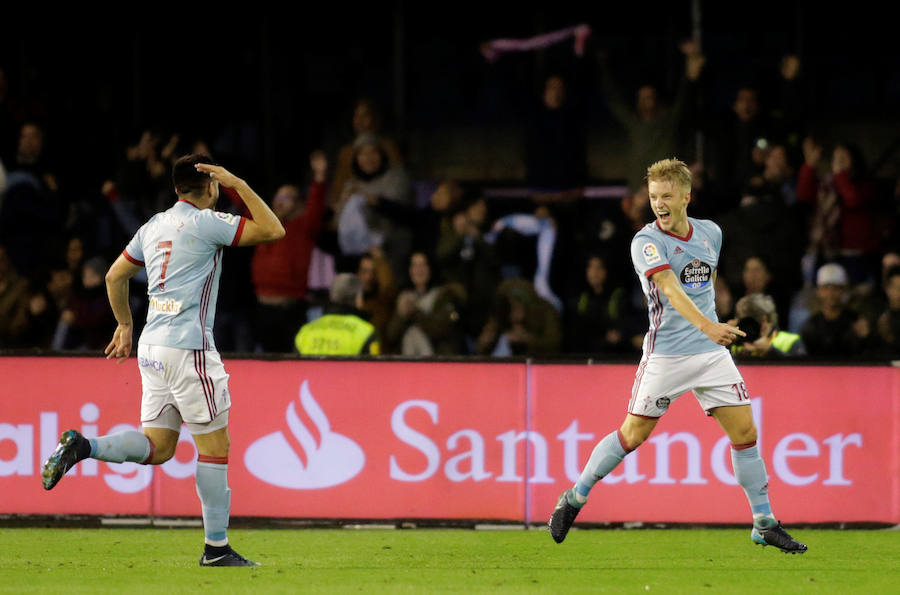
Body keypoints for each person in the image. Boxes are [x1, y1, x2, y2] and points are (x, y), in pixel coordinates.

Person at [548, 159, 807, 553]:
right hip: (666, 356)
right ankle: (574, 498)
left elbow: (706, 286)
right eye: (653, 197)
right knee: (632, 435)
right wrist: (708, 327)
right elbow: (669, 287)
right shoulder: (645, 242)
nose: (659, 204)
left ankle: (763, 522)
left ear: (686, 196)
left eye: (666, 196)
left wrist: (720, 325)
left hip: (710, 354)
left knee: (746, 434)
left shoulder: (711, 233)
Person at [41, 154, 286, 567]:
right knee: (215, 448)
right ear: (211, 186)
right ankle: (217, 549)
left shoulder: (152, 226)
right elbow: (274, 229)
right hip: (190, 348)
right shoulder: (208, 222)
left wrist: (124, 325)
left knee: (158, 448)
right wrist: (238, 183)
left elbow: (113, 276)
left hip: (153, 347)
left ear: (175, 189)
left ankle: (85, 446)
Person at [295, 273, 380, 356]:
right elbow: (372, 368)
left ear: (331, 297)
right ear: (358, 299)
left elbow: (295, 368)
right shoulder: (365, 332)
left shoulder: (305, 332)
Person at [730, 293, 806, 358]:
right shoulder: (734, 341)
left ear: (765, 320)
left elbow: (801, 370)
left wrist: (770, 351)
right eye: (740, 320)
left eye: (747, 322)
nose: (743, 326)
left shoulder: (790, 341)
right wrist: (726, 342)